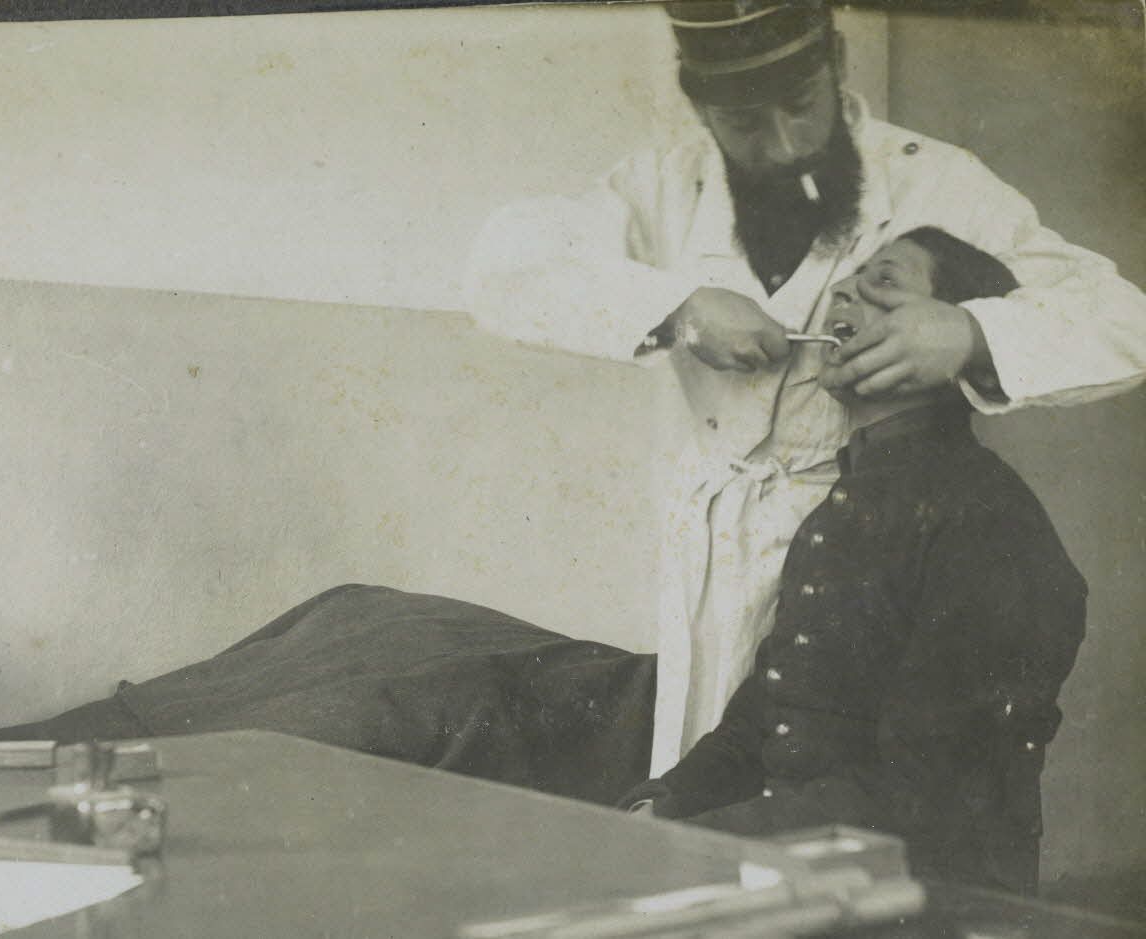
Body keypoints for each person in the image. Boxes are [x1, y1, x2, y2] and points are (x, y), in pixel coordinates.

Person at [462, 0, 1146, 777]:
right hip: (713, 543)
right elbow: (503, 267)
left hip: (870, 552)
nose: (785, 145)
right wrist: (676, 308)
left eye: (801, 104)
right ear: (700, 105)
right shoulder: (667, 183)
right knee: (703, 766)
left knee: (828, 783)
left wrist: (971, 332)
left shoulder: (937, 183)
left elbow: (1125, 319)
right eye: (745, 122)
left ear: (838, 63)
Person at [617, 227, 1087, 895]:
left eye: (884, 282)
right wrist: (663, 802)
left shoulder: (986, 517)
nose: (843, 290)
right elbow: (765, 714)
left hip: (915, 903)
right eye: (850, 277)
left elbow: (926, 794)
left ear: (950, 336)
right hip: (809, 869)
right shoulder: (844, 503)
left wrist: (699, 844)